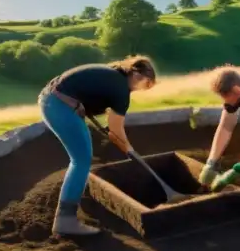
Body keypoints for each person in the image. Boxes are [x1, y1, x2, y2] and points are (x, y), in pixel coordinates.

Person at [38, 56, 157, 235]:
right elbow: (116, 131)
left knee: (82, 157)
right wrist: (129, 149)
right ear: (136, 75)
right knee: (81, 160)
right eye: (145, 83)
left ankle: (67, 214)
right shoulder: (120, 89)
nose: (143, 88)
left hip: (54, 100)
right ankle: (65, 220)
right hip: (59, 106)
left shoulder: (113, 76)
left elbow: (109, 123)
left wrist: (120, 141)